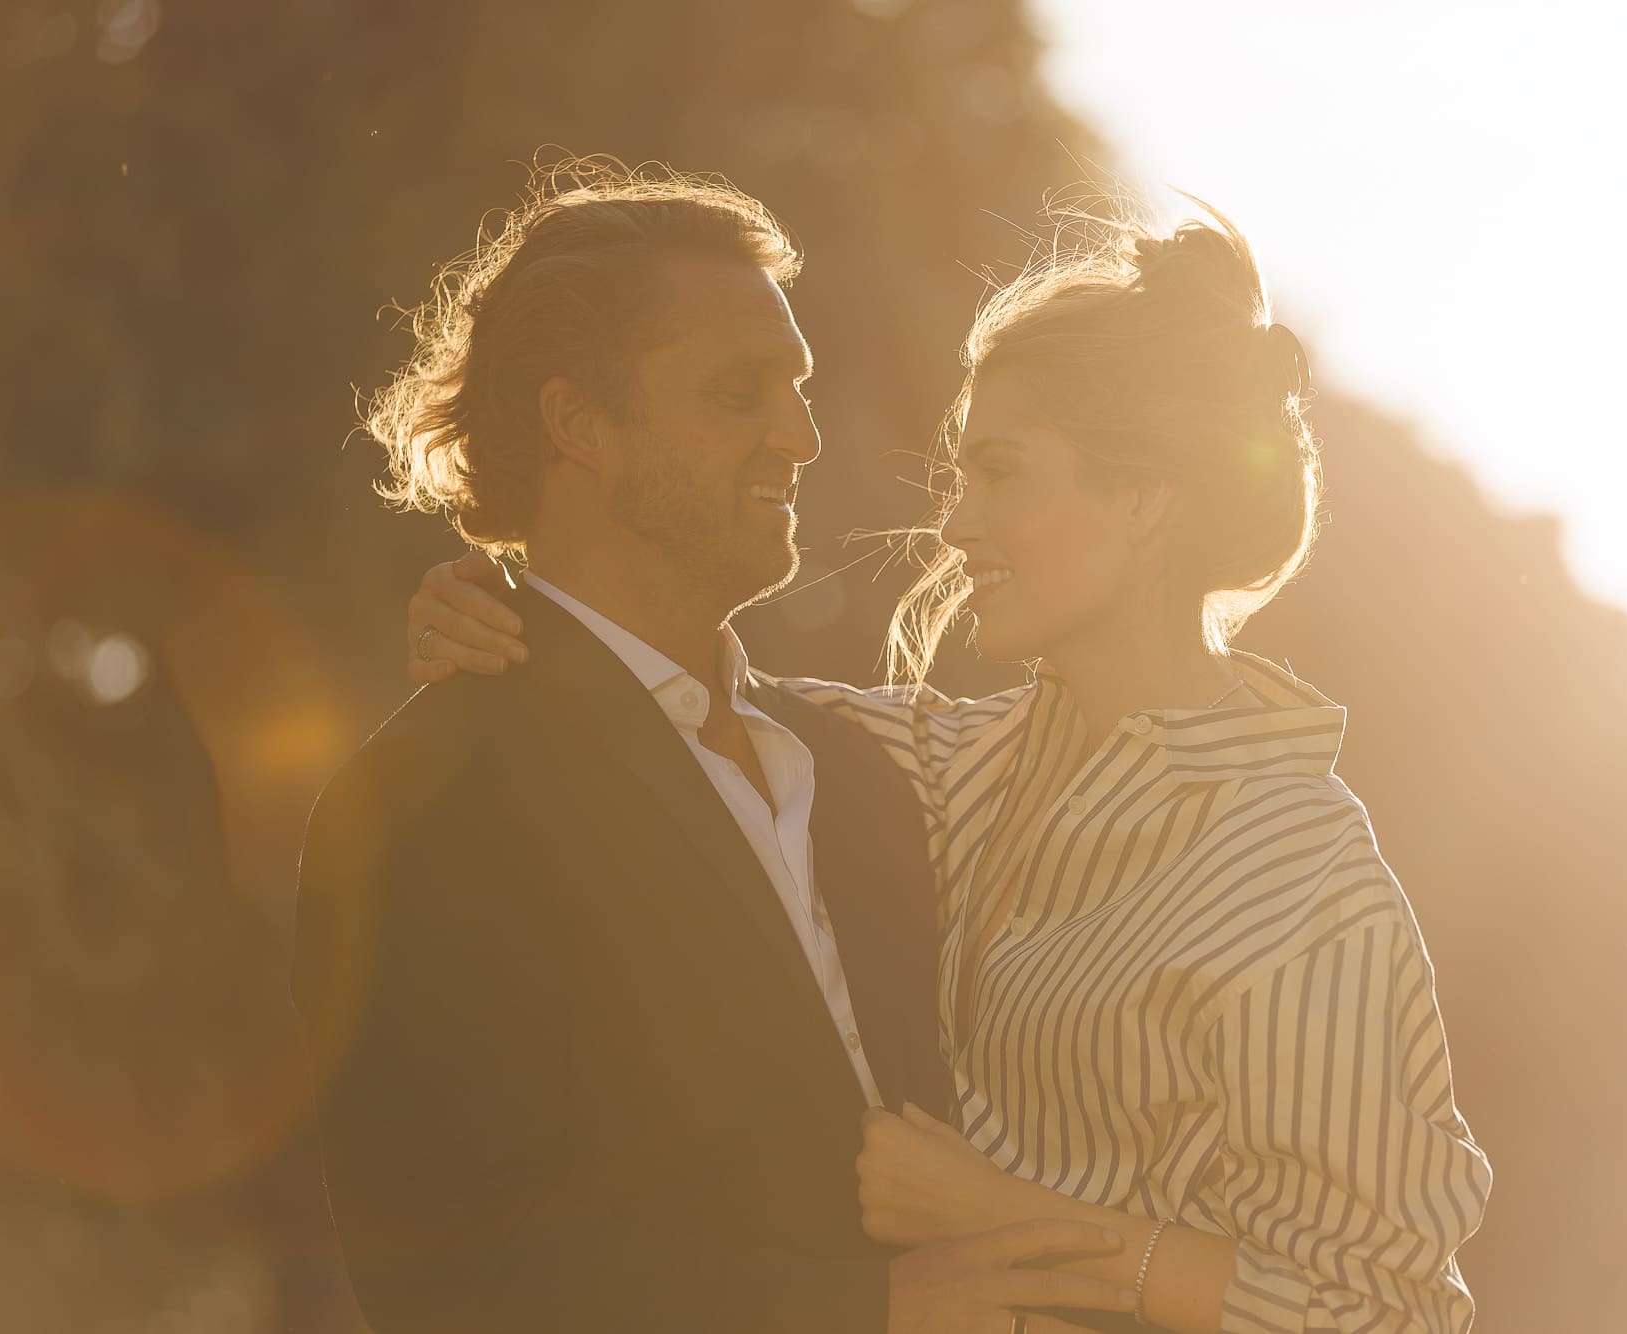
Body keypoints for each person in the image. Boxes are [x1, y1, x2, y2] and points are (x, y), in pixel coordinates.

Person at [409, 194, 1494, 1331]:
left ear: (1141, 497)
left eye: (1000, 472)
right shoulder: (936, 764)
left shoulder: (1297, 867)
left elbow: (1385, 1308)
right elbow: (672, 698)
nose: (955, 526)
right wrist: (500, 608)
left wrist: (1002, 1213)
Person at [294, 157, 1141, 1334]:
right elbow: (459, 1287)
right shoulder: (421, 803)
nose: (800, 434)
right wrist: (864, 1314)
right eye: (741, 392)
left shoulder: (859, 764)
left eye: (796, 390)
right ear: (577, 423)